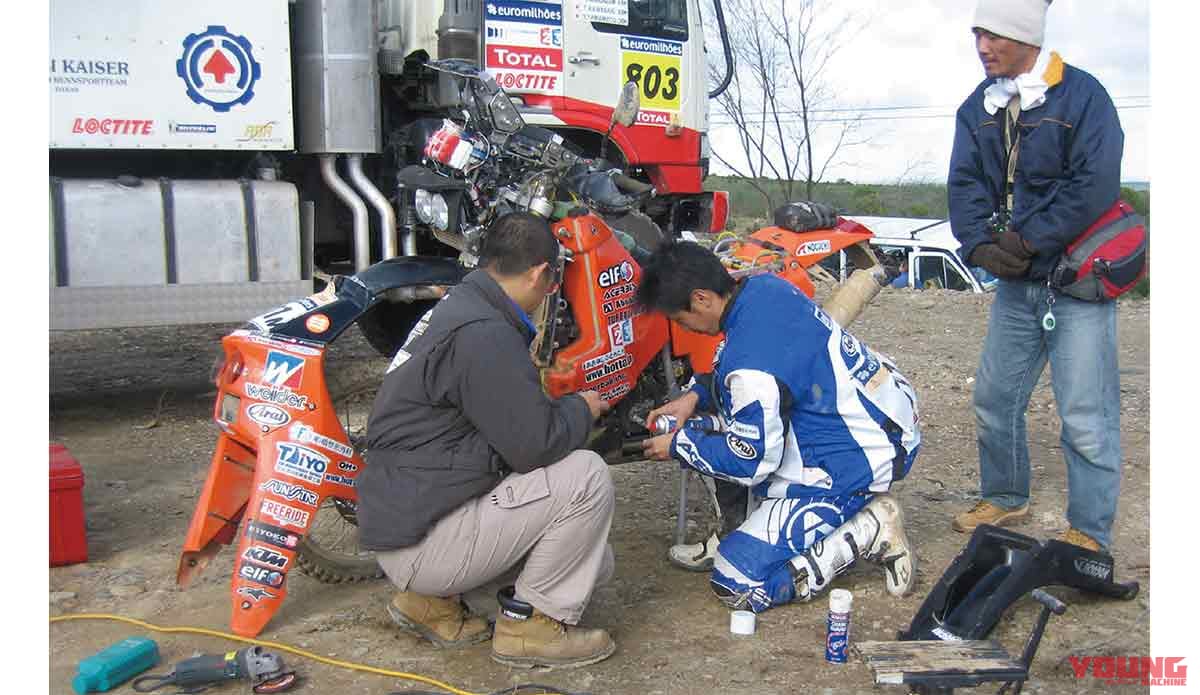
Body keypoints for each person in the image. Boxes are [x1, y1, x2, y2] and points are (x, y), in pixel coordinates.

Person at [358, 212, 617, 669]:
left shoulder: (461, 307)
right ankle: (528, 629)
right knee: (586, 477)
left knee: (596, 560)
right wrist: (583, 408)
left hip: (406, 526)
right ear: (540, 273)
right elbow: (534, 446)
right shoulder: (485, 334)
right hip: (423, 542)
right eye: (553, 280)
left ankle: (429, 602)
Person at [637, 240, 921, 613]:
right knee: (707, 431)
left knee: (737, 582)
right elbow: (753, 370)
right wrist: (693, 398)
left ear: (702, 299)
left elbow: (751, 461)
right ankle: (733, 531)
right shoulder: (762, 288)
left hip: (860, 454)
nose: (682, 327)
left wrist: (679, 445)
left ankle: (867, 530)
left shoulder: (750, 366)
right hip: (878, 411)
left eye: (679, 318)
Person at [948, 0, 1125, 553]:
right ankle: (1005, 494)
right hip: (1018, 288)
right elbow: (966, 183)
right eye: (978, 34)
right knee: (995, 397)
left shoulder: (1084, 96)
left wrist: (1028, 240)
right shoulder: (978, 107)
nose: (983, 46)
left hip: (1077, 287)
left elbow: (1093, 185)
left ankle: (1090, 532)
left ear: (1026, 36)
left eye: (994, 35)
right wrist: (978, 242)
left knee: (1085, 416)